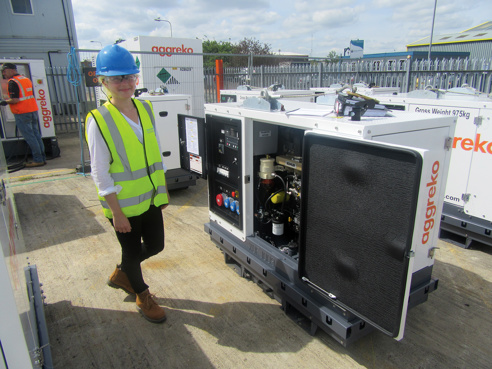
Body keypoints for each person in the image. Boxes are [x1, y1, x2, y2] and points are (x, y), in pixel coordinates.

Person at [85, 44, 169, 323]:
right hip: (123, 205)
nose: (125, 83)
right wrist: (117, 213)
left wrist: (162, 192)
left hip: (150, 198)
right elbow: (99, 172)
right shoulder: (98, 120)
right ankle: (142, 294)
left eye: (130, 76)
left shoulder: (145, 108)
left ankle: (124, 272)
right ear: (103, 82)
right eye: (117, 78)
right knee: (131, 251)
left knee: (156, 246)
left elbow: (151, 155)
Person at [1, 63, 46, 167]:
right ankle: (42, 157)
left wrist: (4, 102)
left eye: (4, 70)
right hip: (32, 110)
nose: (3, 73)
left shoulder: (12, 82)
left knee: (30, 137)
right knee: (36, 135)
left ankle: (38, 159)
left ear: (12, 70)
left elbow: (15, 99)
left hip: (22, 112)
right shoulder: (25, 79)